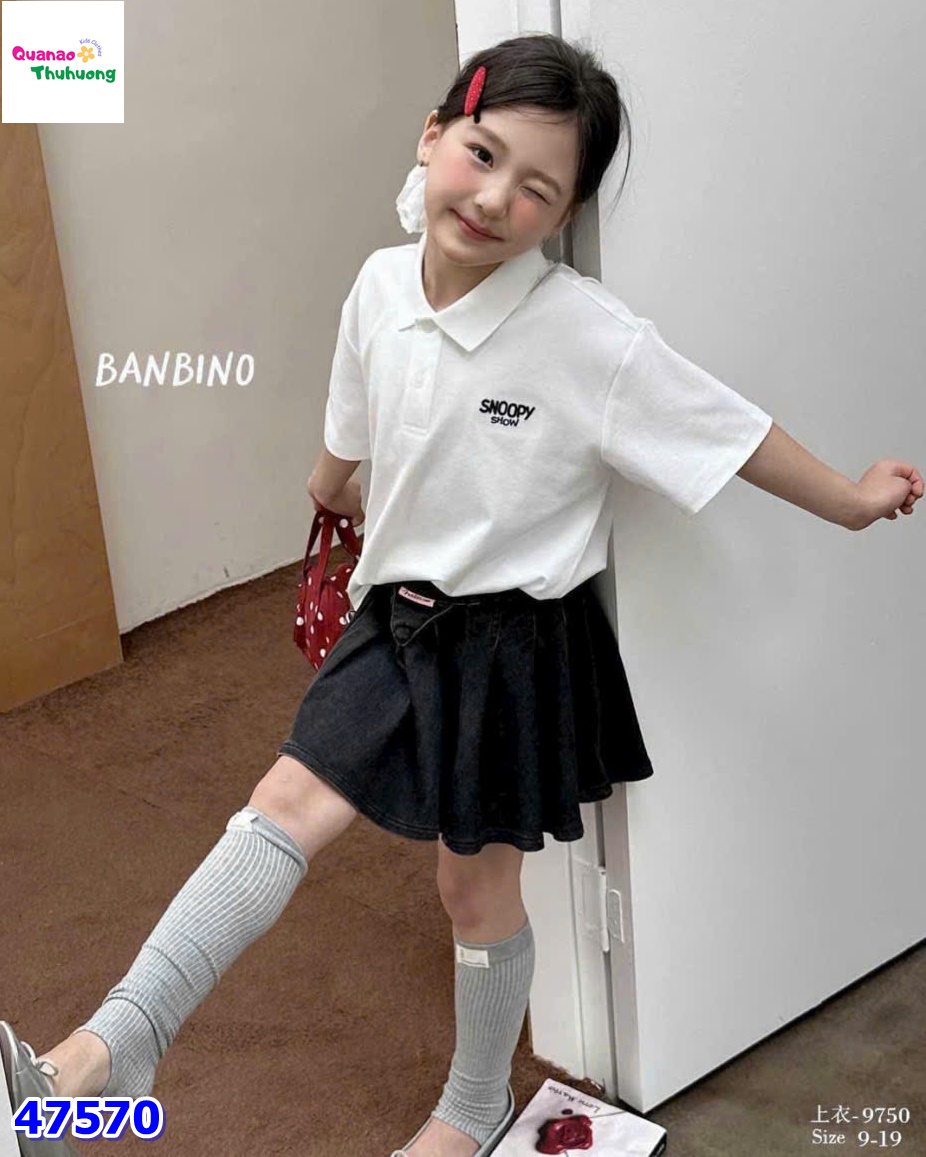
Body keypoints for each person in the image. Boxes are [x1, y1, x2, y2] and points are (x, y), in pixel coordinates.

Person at [2, 30, 921, 1157]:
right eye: (480, 154)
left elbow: (726, 430)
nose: (493, 198)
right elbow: (351, 428)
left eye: (537, 188)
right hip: (394, 618)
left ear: (564, 213)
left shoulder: (584, 333)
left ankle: (473, 1107)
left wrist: (848, 498)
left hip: (512, 649)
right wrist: (327, 487)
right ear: (433, 135)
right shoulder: (378, 286)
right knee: (277, 808)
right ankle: (106, 1050)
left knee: (471, 893)